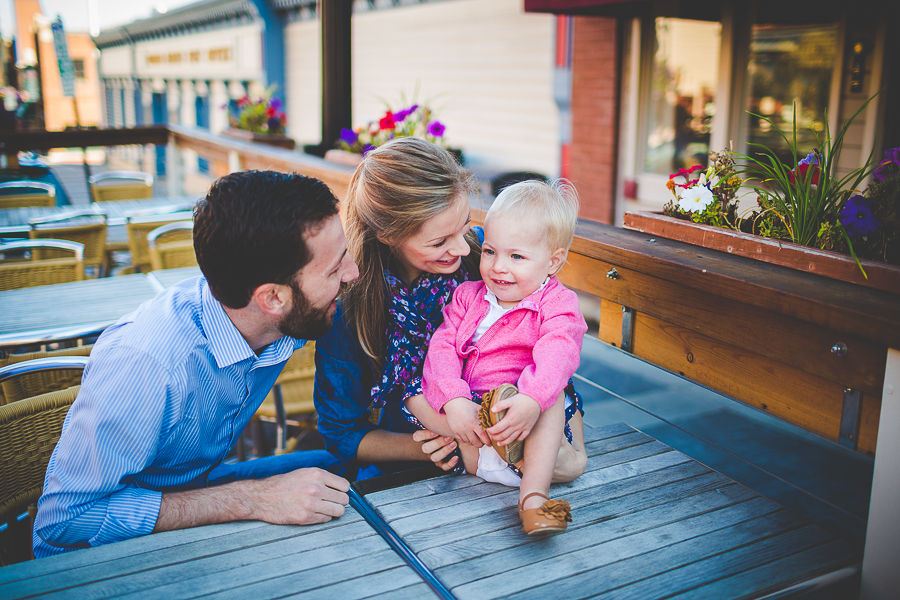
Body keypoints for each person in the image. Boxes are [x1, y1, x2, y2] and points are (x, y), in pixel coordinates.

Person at [33, 171, 359, 557]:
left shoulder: (279, 316)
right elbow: (64, 521)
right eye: (334, 268)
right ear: (272, 298)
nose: (353, 272)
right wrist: (251, 500)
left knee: (349, 471)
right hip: (95, 560)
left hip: (194, 487)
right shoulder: (148, 365)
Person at [313, 137, 587, 483]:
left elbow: (552, 355)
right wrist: (428, 446)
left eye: (465, 226)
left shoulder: (487, 257)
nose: (462, 247)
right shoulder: (350, 310)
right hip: (417, 473)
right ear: (387, 235)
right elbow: (342, 434)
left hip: (514, 431)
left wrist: (573, 454)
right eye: (440, 241)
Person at [413, 179, 586, 535]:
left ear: (553, 262)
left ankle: (533, 501)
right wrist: (455, 398)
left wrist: (532, 399)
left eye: (517, 256)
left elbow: (559, 351)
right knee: (418, 391)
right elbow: (442, 348)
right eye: (490, 251)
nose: (498, 267)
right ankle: (492, 456)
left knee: (551, 397)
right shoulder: (467, 296)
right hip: (475, 414)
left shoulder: (557, 304)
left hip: (524, 411)